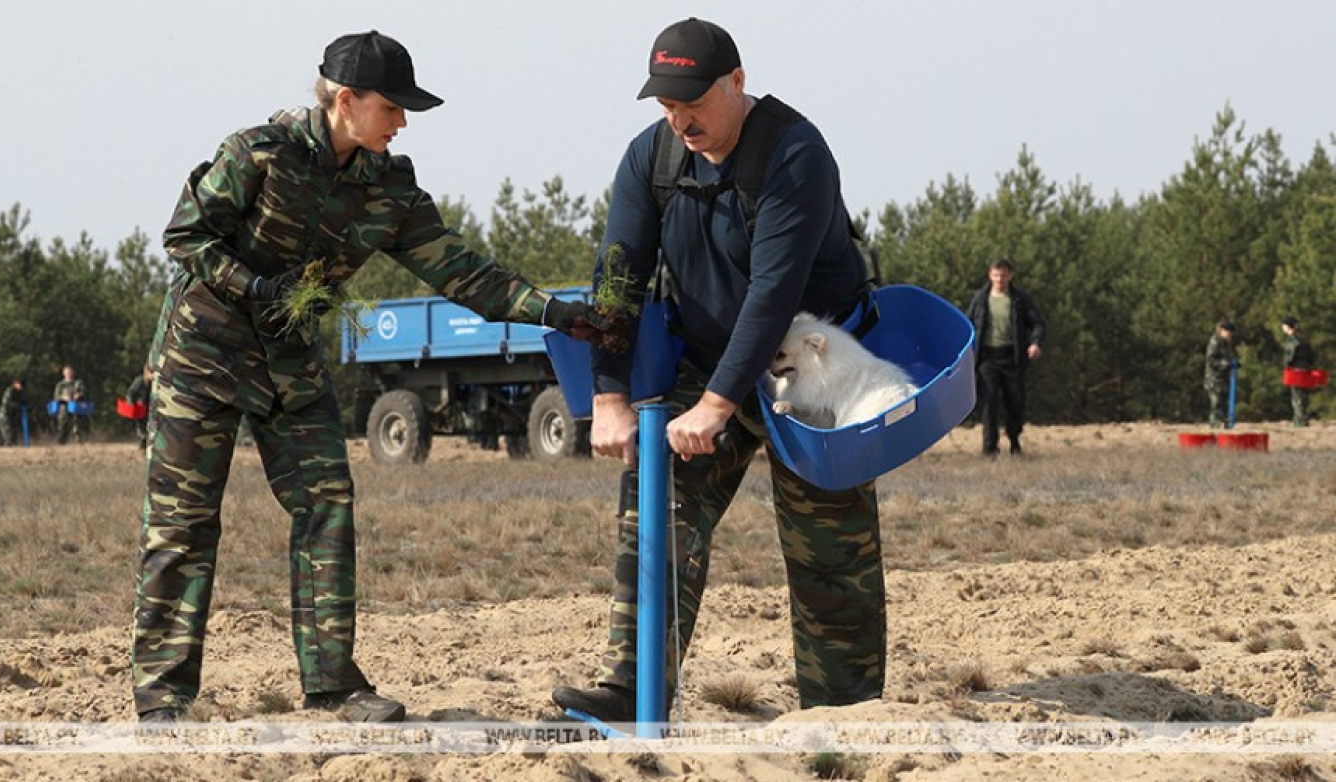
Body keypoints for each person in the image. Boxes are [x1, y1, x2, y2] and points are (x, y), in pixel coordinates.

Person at [132, 30, 599, 724]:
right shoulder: (259, 151)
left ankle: (334, 685)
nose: (403, 121)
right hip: (203, 357)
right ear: (345, 101)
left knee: (328, 505)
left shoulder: (390, 189)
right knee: (184, 524)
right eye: (393, 107)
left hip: (289, 364)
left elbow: (462, 271)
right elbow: (186, 235)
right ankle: (164, 697)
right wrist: (254, 284)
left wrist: (555, 312)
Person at [551, 18, 886, 724]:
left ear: (737, 81)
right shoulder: (652, 157)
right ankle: (632, 687)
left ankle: (844, 713)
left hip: (809, 369)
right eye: (668, 106)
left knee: (828, 550)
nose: (682, 120)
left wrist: (716, 404)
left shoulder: (795, 154)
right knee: (657, 505)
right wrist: (609, 394)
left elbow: (773, 294)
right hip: (704, 358)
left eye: (695, 101)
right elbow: (618, 279)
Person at [964, 259, 1045, 456]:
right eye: (996, 275)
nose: (999, 279)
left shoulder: (1019, 300)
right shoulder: (980, 299)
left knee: (1015, 402)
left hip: (1012, 358)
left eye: (1003, 275)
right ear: (990, 275)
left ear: (1010, 276)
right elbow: (967, 325)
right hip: (987, 359)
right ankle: (990, 448)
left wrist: (1035, 343)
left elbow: (1037, 323)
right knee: (989, 402)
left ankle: (1015, 442)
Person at [1280, 316, 1316, 427]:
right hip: (1305, 369)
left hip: (1296, 370)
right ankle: (1304, 418)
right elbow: (1311, 356)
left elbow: (1289, 357)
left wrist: (1286, 365)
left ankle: (1299, 420)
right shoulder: (1304, 338)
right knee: (1304, 395)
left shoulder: (1293, 339)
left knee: (1297, 396)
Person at [1204, 320, 1238, 428]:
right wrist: (1225, 364)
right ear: (1222, 331)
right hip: (1214, 379)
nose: (1230, 335)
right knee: (1216, 404)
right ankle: (1215, 426)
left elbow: (1227, 357)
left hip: (1224, 379)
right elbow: (1211, 360)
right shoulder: (1215, 342)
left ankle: (1225, 424)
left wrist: (1233, 364)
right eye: (1229, 332)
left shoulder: (1225, 343)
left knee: (1224, 404)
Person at [53, 365, 87, 445]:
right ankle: (61, 442)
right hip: (64, 407)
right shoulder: (60, 385)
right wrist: (64, 398)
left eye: (70, 372)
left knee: (78, 425)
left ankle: (80, 442)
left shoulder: (78, 383)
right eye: (67, 372)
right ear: (63, 373)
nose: (69, 374)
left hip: (76, 406)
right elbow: (56, 397)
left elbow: (84, 392)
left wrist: (78, 395)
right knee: (63, 425)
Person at [126, 365, 152, 448]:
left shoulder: (155, 382)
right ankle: (143, 443)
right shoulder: (139, 381)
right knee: (142, 427)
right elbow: (130, 393)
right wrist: (131, 404)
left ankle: (146, 443)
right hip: (139, 407)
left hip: (149, 407)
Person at [0, 378, 27, 446]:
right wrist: (17, 406)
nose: (21, 387)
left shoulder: (20, 393)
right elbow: (7, 403)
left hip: (13, 417)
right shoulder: (10, 391)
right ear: (15, 383)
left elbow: (24, 402)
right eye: (20, 385)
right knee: (8, 436)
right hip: (5, 416)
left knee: (14, 437)